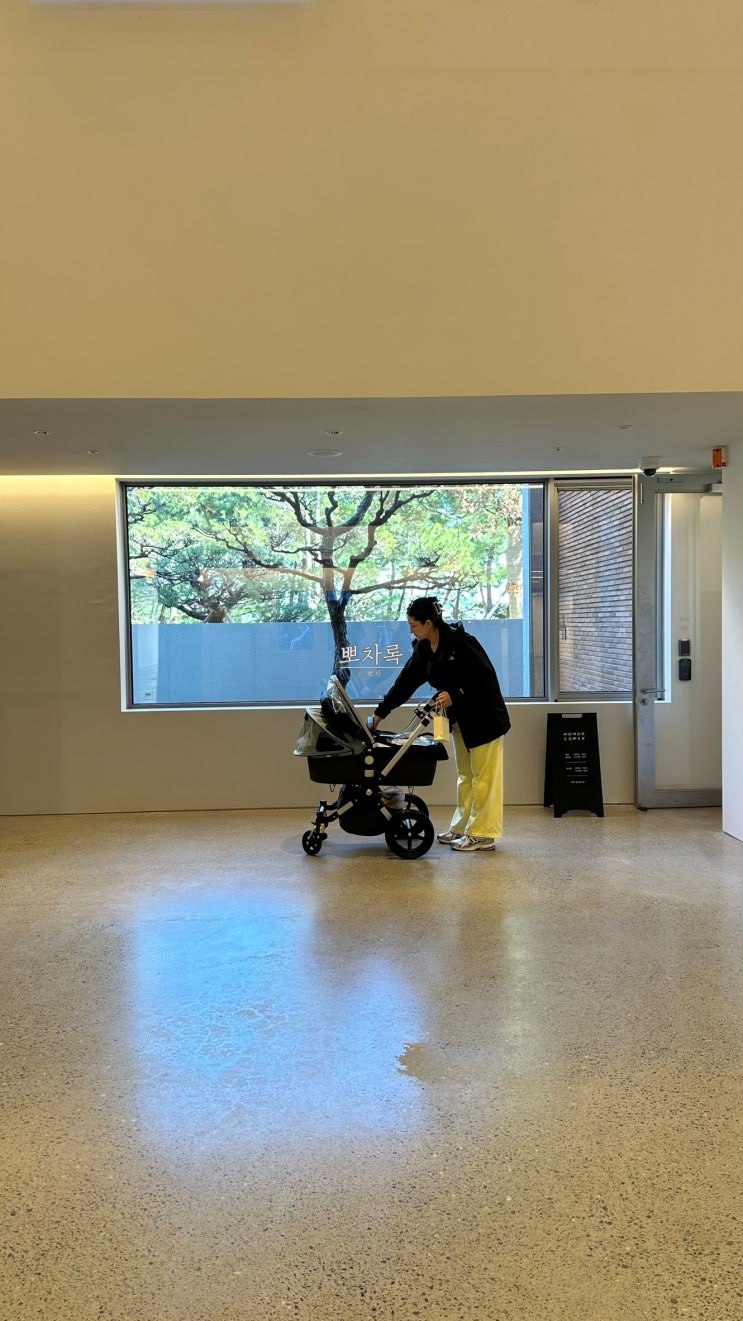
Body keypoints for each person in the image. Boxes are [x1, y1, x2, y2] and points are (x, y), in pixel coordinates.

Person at [371, 597, 510, 852]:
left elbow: (485, 680)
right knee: (466, 776)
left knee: (484, 778)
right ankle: (462, 827)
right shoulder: (424, 649)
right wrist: (381, 713)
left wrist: (455, 694)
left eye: (413, 625)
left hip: (485, 719)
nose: (411, 630)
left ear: (428, 623)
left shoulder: (462, 643)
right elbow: (405, 682)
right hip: (461, 719)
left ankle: (483, 834)